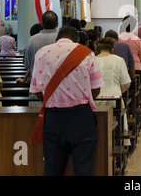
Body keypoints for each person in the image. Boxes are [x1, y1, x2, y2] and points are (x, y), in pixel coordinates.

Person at [29, 26, 104, 176]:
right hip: (81, 116)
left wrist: (51, 100)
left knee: (53, 168)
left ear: (56, 39)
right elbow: (96, 88)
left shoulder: (42, 53)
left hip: (53, 118)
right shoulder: (86, 53)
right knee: (84, 168)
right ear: (76, 40)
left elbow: (36, 90)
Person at [94, 37, 132, 146]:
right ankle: (118, 142)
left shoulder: (92, 60)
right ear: (112, 49)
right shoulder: (118, 60)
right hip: (114, 98)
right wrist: (118, 91)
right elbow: (126, 83)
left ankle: (100, 144)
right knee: (117, 118)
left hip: (95, 100)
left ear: (97, 49)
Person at [20, 11, 59, 84]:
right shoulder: (61, 38)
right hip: (57, 83)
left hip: (37, 82)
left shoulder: (32, 40)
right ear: (57, 24)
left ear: (42, 24)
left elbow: (27, 64)